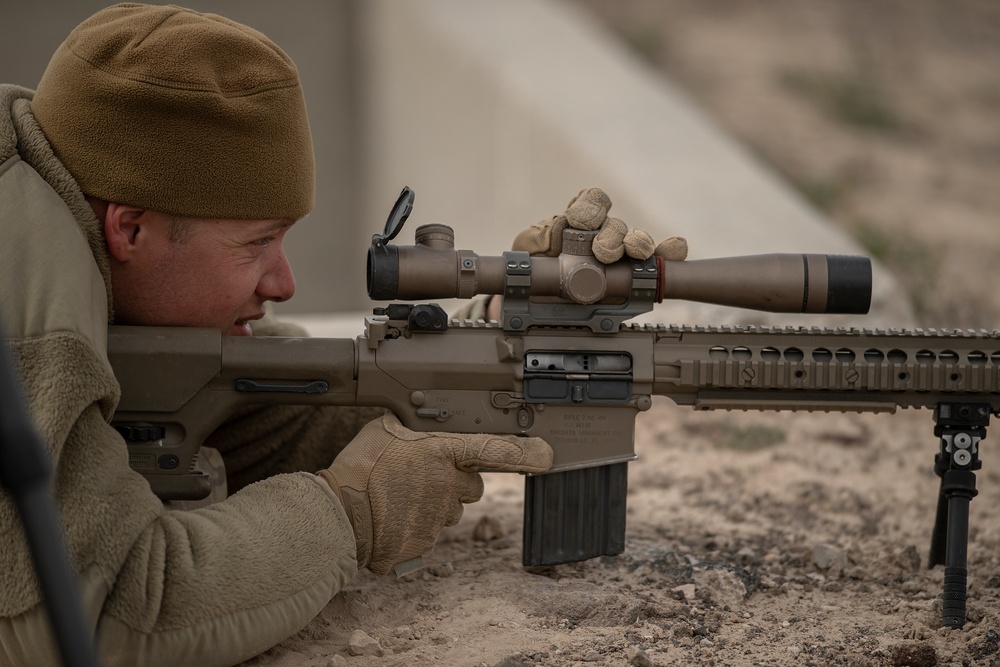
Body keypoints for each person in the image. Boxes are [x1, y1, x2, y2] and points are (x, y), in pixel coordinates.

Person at [0, 4, 684, 666]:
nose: (283, 282)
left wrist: (484, 351)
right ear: (130, 228)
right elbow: (99, 616)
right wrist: (347, 509)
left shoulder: (48, 186)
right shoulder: (36, 297)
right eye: (257, 242)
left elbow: (249, 411)